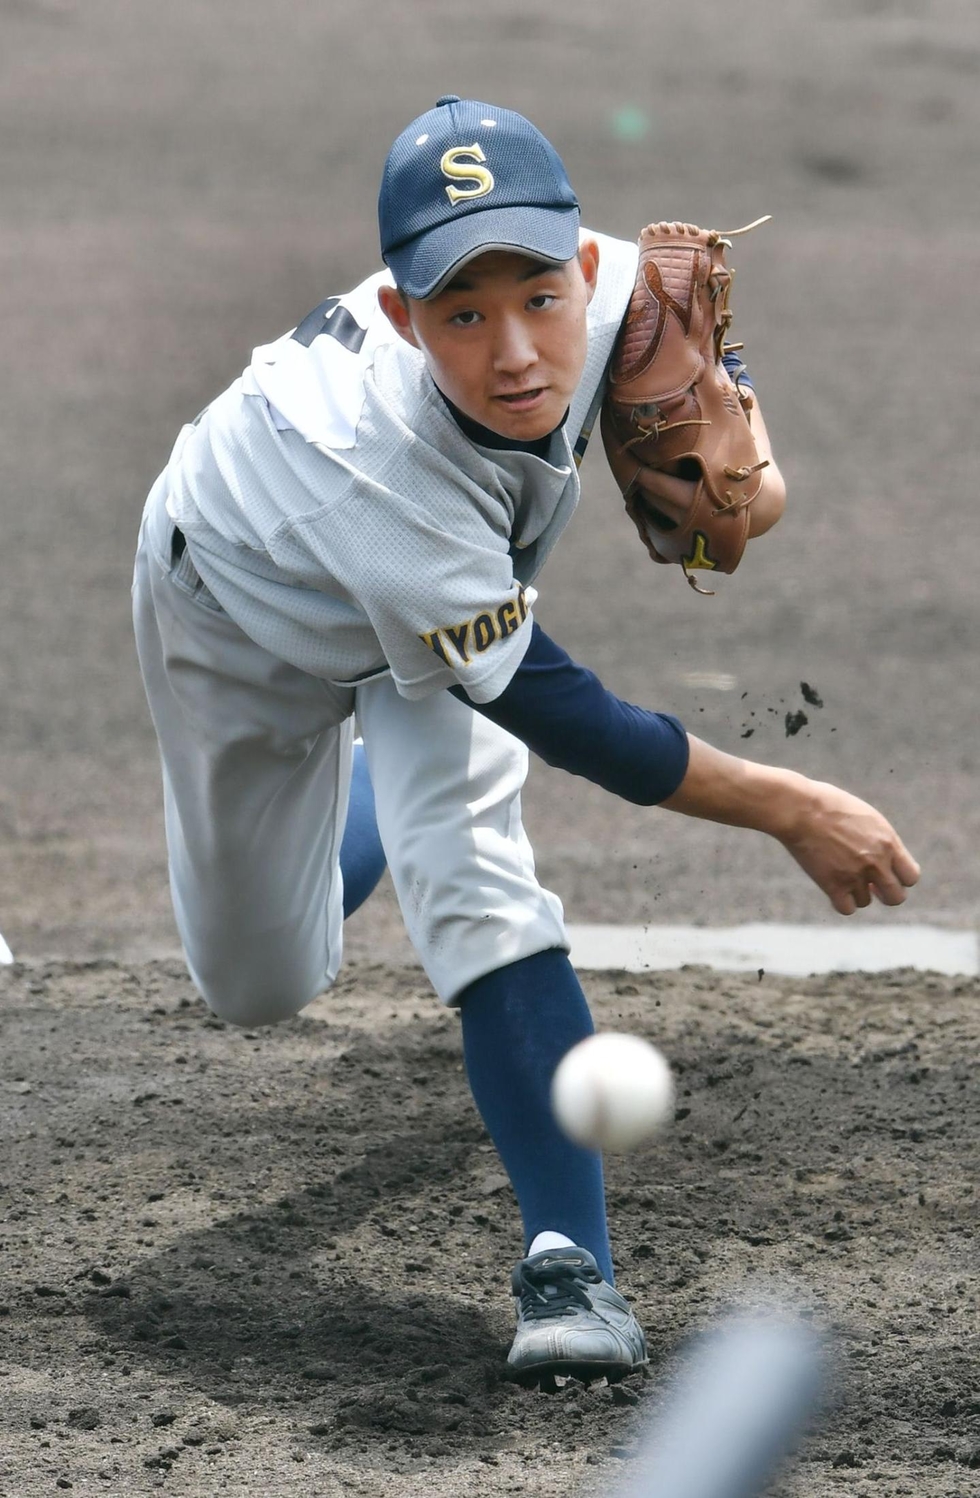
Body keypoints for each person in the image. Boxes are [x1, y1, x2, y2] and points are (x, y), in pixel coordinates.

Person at [132, 95, 919, 1389]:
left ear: (577, 261)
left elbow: (719, 413)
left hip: (449, 619)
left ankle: (571, 1263)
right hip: (239, 622)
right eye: (462, 313)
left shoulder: (608, 284)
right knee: (261, 981)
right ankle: (371, 787)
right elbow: (574, 719)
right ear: (401, 314)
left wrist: (746, 481)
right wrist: (790, 802)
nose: (515, 352)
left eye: (538, 297)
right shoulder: (371, 463)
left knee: (480, 869)